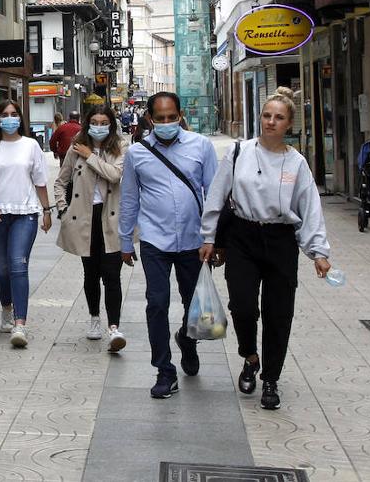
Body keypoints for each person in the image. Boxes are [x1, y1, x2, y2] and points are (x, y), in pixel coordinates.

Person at [200, 88, 332, 410]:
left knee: (279, 313)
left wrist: (319, 251)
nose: (270, 122)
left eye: (279, 117)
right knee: (242, 307)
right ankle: (250, 356)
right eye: (266, 115)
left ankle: (270, 379)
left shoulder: (296, 163)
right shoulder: (239, 152)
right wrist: (207, 236)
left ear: (289, 123)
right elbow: (217, 195)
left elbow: (309, 207)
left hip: (280, 241)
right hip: (243, 238)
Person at [118, 92, 217, 399]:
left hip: (193, 241)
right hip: (154, 240)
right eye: (159, 118)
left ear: (180, 114)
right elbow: (130, 198)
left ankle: (188, 341)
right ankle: (164, 370)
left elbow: (214, 194)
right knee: (157, 303)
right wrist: (125, 240)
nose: (165, 123)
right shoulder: (137, 153)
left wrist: (213, 238)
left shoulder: (201, 146)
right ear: (149, 118)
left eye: (170, 117)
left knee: (196, 307)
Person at [54, 104, 129, 352]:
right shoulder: (76, 147)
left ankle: (114, 327)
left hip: (111, 219)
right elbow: (61, 180)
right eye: (94, 122)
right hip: (84, 218)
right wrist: (63, 209)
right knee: (91, 273)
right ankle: (95, 318)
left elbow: (115, 175)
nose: (99, 126)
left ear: (111, 123)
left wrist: (90, 155)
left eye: (103, 122)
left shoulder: (121, 146)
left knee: (112, 275)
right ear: (88, 124)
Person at [0, 100, 52, 348]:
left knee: (18, 265)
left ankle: (20, 323)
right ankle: (6, 308)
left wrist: (47, 211)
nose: (9, 119)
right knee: (2, 268)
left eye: (13, 114)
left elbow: (40, 180)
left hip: (26, 212)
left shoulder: (31, 145)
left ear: (20, 118)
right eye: (4, 114)